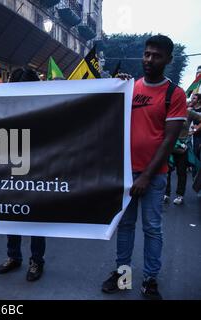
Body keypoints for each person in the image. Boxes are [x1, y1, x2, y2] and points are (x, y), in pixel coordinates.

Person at [102, 35, 186, 300]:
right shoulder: (130, 87)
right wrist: (118, 86)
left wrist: (146, 177)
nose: (149, 60)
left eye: (157, 55)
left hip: (153, 176)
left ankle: (150, 279)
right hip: (126, 173)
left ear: (168, 60)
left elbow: (168, 141)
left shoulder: (175, 94)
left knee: (152, 228)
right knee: (125, 226)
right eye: (147, 54)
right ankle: (123, 275)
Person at [0, 67, 46, 282]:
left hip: (36, 169)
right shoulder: (6, 106)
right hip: (11, 168)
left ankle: (37, 260)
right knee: (12, 215)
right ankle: (13, 256)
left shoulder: (44, 107)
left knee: (36, 217)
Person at [164, 95, 201, 204]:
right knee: (167, 171)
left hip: (182, 147)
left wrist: (195, 130)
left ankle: (180, 196)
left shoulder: (188, 113)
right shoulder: (167, 112)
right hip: (168, 145)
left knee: (181, 172)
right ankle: (166, 194)